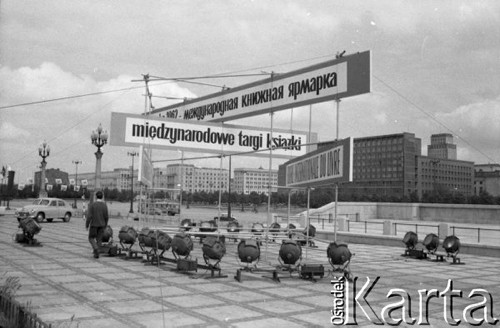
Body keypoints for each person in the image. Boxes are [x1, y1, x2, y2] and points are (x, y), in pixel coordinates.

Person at [85, 191, 109, 258]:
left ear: (96, 197)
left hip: (94, 225)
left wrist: (87, 225)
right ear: (102, 197)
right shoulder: (104, 205)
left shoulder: (93, 205)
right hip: (102, 225)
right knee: (99, 239)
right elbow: (106, 216)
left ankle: (96, 249)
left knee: (91, 238)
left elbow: (89, 216)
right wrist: (105, 225)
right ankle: (97, 253)